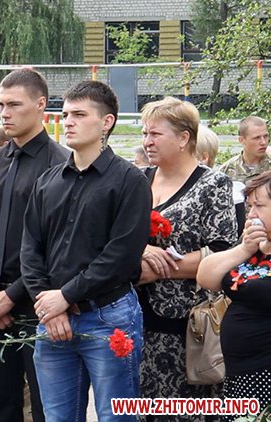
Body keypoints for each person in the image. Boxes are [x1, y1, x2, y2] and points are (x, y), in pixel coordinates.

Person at [21, 80, 151, 421]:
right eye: (65, 114)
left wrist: (64, 296)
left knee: (115, 417)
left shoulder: (129, 181)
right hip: (52, 318)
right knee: (57, 417)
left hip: (108, 315)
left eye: (79, 115)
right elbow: (30, 250)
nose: (68, 122)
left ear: (106, 122)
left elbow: (121, 256)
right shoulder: (47, 181)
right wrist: (50, 306)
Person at [0, 68, 67, 422]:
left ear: (40, 105)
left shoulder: (61, 166)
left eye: (13, 105)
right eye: (0, 105)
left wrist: (11, 296)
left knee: (47, 408)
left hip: (39, 304)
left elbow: (60, 246)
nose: (4, 113)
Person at [138, 97, 237, 421]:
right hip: (136, 320)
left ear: (184, 138)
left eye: (155, 134)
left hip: (188, 327)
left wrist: (159, 270)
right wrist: (142, 251)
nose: (147, 141)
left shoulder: (213, 184)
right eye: (144, 134)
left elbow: (222, 253)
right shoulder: (138, 180)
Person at [197, 171, 271, 420]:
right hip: (239, 371)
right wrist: (245, 248)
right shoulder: (255, 245)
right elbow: (206, 277)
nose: (251, 215)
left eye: (259, 206)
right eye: (250, 207)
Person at [218, 116, 271, 184]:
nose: (263, 142)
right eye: (257, 138)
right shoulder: (226, 170)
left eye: (266, 136)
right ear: (241, 140)